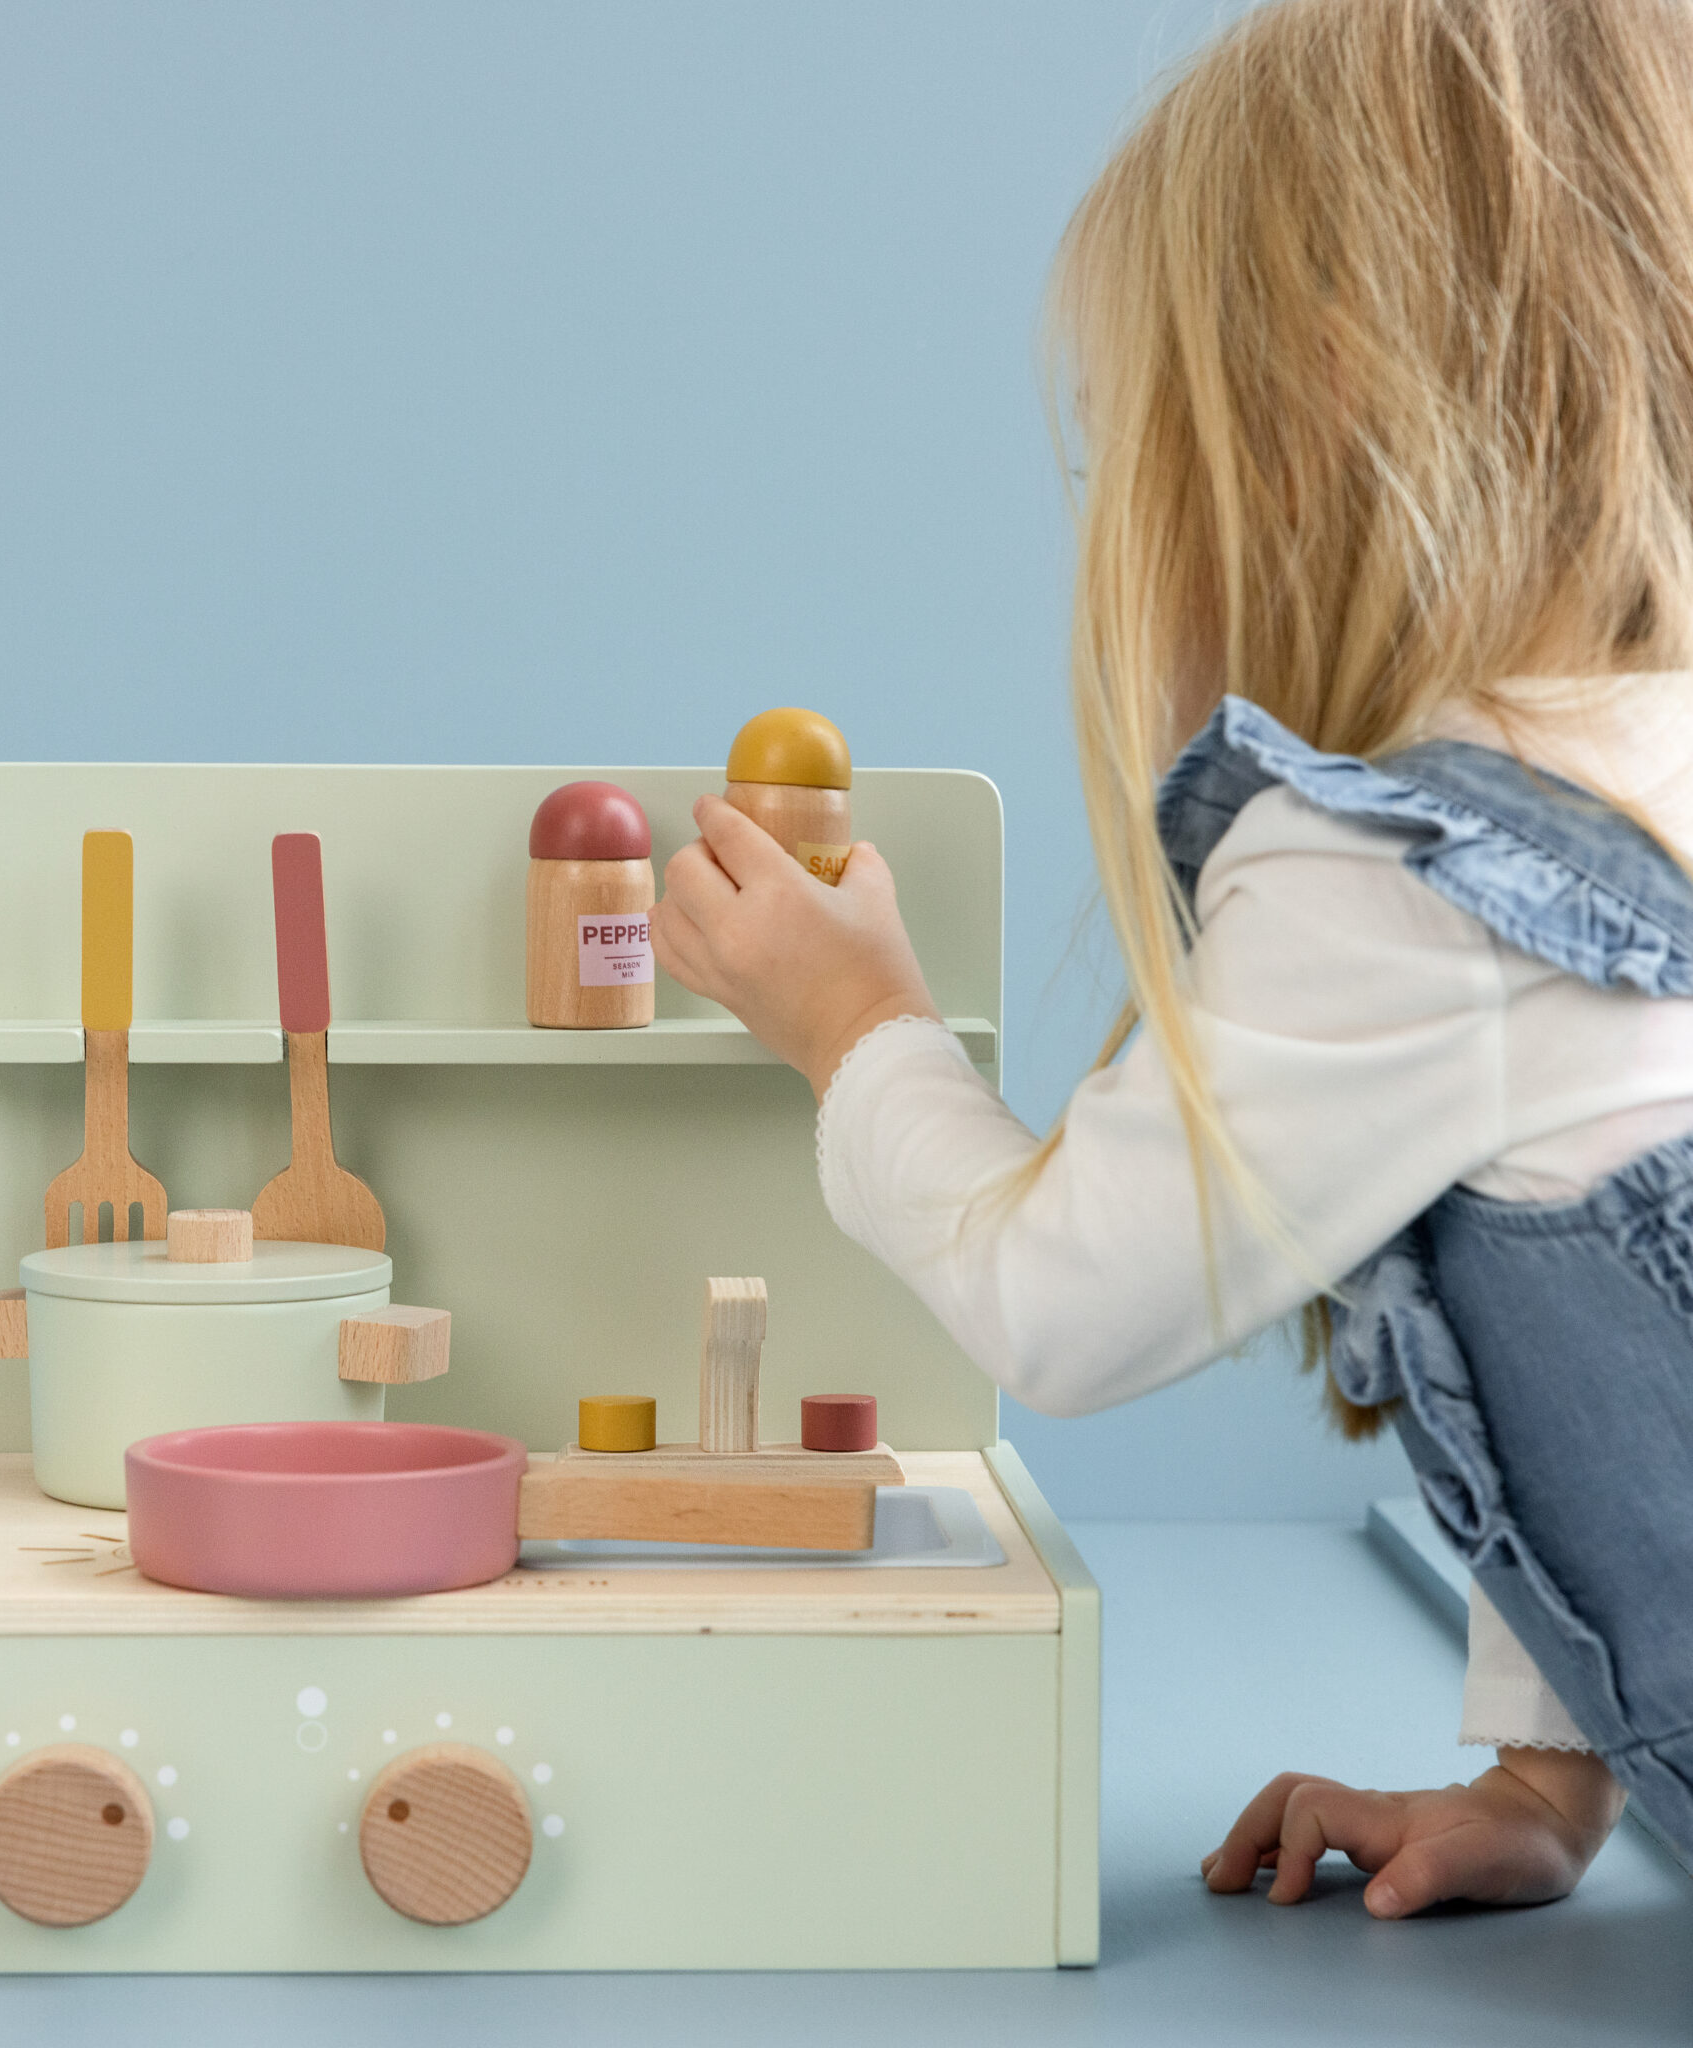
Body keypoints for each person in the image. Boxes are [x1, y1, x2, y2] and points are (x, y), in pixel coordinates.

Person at [652, 0, 1693, 1920]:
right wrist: (1557, 1784)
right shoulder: (1641, 770)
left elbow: (1063, 1304)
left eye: (1132, 441)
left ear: (1306, 416)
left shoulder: (1408, 871)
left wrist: (855, 1025)